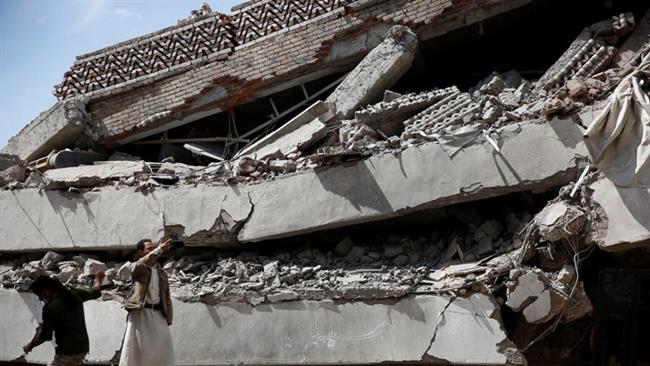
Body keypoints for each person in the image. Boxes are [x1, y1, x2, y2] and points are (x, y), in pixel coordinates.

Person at [23, 271, 105, 366]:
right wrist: (99, 279)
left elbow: (45, 335)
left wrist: (30, 345)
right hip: (82, 349)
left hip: (67, 353)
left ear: (45, 291)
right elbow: (95, 291)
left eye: (39, 295)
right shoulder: (75, 294)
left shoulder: (51, 307)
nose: (40, 299)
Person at [119, 238, 175, 366]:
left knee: (164, 345)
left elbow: (166, 295)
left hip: (157, 313)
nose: (153, 250)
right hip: (140, 312)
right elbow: (144, 262)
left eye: (153, 248)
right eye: (149, 249)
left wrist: (169, 317)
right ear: (140, 252)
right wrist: (160, 249)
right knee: (137, 349)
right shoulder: (137, 267)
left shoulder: (161, 272)